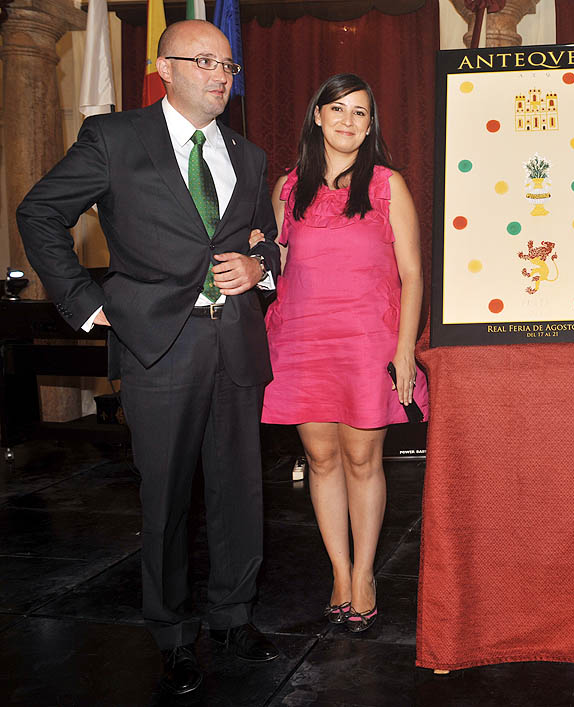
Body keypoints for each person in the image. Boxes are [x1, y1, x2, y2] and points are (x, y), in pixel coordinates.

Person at [16, 20, 281, 695]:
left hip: (235, 342)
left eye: (228, 65)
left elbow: (269, 242)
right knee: (164, 497)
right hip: (158, 345)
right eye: (204, 61)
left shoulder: (249, 157)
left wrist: (259, 266)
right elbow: (39, 211)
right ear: (164, 67)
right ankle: (171, 632)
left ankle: (232, 613)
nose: (221, 75)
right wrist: (85, 300)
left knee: (239, 490)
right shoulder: (114, 139)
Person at [257, 73, 427, 634]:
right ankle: (338, 571)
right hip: (302, 339)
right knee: (321, 461)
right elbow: (272, 266)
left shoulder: (386, 185)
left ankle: (365, 575)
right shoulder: (287, 187)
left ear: (370, 124)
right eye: (337, 109)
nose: (348, 121)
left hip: (366, 341)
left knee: (362, 460)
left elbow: (412, 274)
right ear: (317, 117)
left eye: (360, 112)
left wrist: (405, 351)